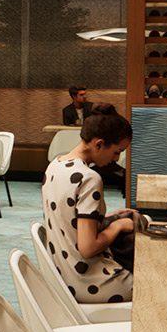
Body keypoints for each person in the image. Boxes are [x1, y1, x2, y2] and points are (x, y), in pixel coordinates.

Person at [39, 103, 141, 303]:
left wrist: (109, 218)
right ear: (99, 144)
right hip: (90, 281)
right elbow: (87, 248)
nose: (117, 158)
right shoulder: (89, 178)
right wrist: (118, 225)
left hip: (64, 277)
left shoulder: (55, 165)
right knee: (156, 284)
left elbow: (69, 223)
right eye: (117, 151)